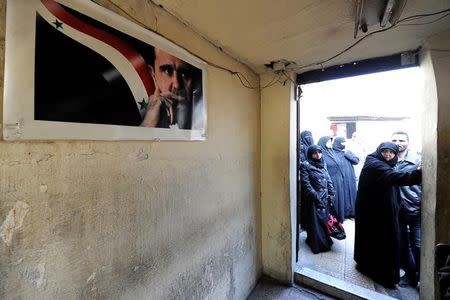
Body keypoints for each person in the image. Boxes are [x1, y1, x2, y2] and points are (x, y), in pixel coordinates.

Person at [354, 142, 422, 288]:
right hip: (374, 213)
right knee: (383, 241)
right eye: (385, 152)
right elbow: (393, 177)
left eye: (391, 153)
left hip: (377, 211)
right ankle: (382, 274)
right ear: (379, 151)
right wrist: (418, 174)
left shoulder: (382, 163)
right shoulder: (375, 164)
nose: (388, 155)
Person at [141, 48, 201, 129]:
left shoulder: (200, 119)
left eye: (184, 74)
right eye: (167, 71)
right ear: (153, 74)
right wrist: (149, 124)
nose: (176, 85)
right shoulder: (147, 116)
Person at [391, 131, 422, 287]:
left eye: (401, 140)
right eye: (394, 140)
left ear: (408, 142)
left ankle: (421, 276)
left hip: (416, 210)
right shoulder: (390, 159)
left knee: (418, 246)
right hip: (398, 211)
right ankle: (410, 276)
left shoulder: (418, 160)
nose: (398, 142)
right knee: (403, 245)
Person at [300, 145, 335, 254]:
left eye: (319, 152)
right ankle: (317, 245)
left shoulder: (323, 163)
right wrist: (315, 196)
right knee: (315, 222)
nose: (318, 155)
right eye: (315, 153)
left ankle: (324, 241)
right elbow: (306, 183)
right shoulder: (306, 165)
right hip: (314, 197)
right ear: (310, 154)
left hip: (325, 196)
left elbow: (328, 178)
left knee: (324, 221)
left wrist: (331, 192)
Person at [318, 136, 345, 223]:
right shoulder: (321, 154)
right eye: (328, 142)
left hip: (337, 179)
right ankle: (331, 220)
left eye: (331, 142)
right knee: (332, 201)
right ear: (323, 142)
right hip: (329, 180)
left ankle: (338, 219)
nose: (331, 144)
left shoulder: (331, 152)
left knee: (338, 200)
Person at [332, 136, 359, 219]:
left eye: (344, 143)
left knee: (351, 194)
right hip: (340, 178)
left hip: (349, 177)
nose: (343, 145)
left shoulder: (347, 151)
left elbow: (356, 161)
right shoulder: (332, 153)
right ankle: (344, 213)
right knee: (343, 195)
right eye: (342, 143)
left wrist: (347, 154)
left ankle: (352, 213)